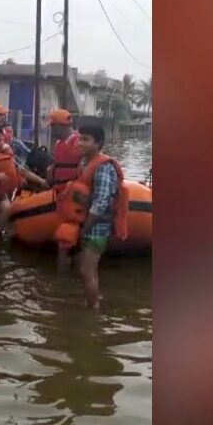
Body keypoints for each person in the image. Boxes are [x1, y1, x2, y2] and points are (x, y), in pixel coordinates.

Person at [61, 124, 129, 309]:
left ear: (98, 143)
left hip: (97, 227)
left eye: (86, 139)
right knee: (89, 270)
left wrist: (85, 229)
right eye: (80, 138)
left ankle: (93, 313)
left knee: (86, 270)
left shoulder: (103, 167)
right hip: (87, 223)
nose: (80, 143)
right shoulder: (85, 163)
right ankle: (92, 301)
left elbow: (101, 202)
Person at [46, 109, 82, 187]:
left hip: (72, 190)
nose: (52, 130)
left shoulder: (79, 142)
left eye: (52, 126)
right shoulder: (58, 143)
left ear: (59, 126)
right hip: (58, 189)